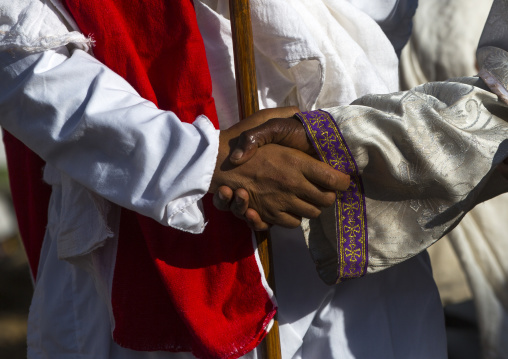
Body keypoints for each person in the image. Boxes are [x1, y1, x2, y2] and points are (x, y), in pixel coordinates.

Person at [0, 0, 467, 358]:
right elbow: (15, 47)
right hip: (151, 209)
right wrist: (204, 161)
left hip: (353, 199)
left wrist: (343, 130)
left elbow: (383, 24)